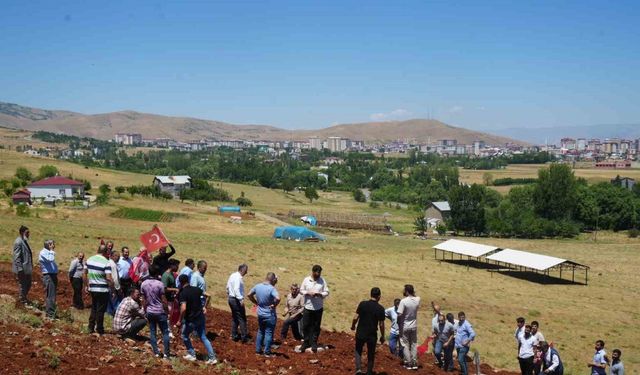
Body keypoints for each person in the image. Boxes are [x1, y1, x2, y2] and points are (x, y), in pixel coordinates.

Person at [177, 274, 218, 365]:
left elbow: (183, 308)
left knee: (184, 335)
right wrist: (204, 307)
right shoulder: (196, 289)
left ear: (180, 282)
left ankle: (192, 354)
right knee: (203, 337)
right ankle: (212, 358)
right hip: (201, 317)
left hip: (191, 319)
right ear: (188, 280)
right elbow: (208, 295)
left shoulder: (183, 293)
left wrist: (180, 320)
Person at [351, 287, 385, 375]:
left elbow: (355, 317)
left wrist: (353, 326)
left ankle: (358, 370)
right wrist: (382, 336)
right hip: (372, 334)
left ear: (371, 294)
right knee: (371, 353)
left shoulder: (362, 304)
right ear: (379, 296)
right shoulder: (380, 308)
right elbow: (381, 324)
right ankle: (369, 372)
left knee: (358, 350)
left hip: (361, 331)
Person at [141, 265, 171, 358]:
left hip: (150, 311)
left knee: (153, 332)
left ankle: (156, 352)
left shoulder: (144, 284)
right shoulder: (160, 284)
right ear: (158, 273)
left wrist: (145, 310)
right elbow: (164, 300)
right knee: (165, 332)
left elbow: (143, 300)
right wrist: (167, 311)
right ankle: (166, 353)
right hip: (160, 311)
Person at [248, 272, 281, 356]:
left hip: (260, 314)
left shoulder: (258, 286)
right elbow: (278, 298)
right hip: (269, 314)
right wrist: (274, 305)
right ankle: (267, 352)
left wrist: (256, 302)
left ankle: (258, 351)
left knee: (260, 331)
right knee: (269, 333)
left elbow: (249, 295)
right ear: (273, 279)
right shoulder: (271, 289)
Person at [299, 264, 329, 353]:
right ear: (312, 272)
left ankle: (314, 343)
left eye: (319, 274)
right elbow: (301, 290)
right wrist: (308, 293)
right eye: (316, 274)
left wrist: (320, 294)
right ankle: (306, 341)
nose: (318, 275)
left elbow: (327, 291)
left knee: (316, 326)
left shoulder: (322, 281)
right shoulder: (306, 280)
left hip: (318, 308)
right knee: (306, 325)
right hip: (308, 307)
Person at [84, 244, 114, 336]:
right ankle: (99, 328)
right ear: (106, 252)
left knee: (94, 308)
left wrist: (86, 285)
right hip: (102, 289)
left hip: (93, 288)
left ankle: (90, 327)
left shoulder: (89, 260)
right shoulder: (106, 262)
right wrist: (112, 287)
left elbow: (84, 274)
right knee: (101, 310)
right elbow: (108, 278)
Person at [397, 284, 420, 370]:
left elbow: (399, 314)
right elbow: (416, 295)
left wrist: (399, 324)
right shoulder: (417, 300)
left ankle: (409, 363)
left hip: (405, 326)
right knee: (414, 344)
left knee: (405, 345)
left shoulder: (403, 301)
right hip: (414, 326)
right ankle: (414, 362)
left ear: (406, 291)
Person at [227, 264, 249, 343]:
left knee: (235, 317)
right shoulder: (238, 278)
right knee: (242, 318)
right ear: (242, 270)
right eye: (246, 270)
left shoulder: (232, 275)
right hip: (236, 300)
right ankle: (244, 337)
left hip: (230, 298)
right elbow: (236, 289)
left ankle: (234, 335)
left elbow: (227, 287)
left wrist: (229, 294)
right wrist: (241, 299)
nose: (246, 272)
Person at [12, 225, 33, 305]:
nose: (28, 234)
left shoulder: (24, 241)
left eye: (28, 233)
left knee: (28, 284)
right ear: (21, 233)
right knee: (23, 285)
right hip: (21, 269)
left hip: (26, 268)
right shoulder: (18, 242)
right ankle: (22, 301)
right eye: (27, 233)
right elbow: (16, 257)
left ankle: (23, 298)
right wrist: (20, 269)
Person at [39, 239, 59, 319]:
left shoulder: (47, 252)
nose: (54, 246)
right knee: (50, 295)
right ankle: (50, 314)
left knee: (52, 294)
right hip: (49, 276)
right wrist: (51, 250)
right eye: (53, 244)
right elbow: (50, 259)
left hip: (52, 275)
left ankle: (51, 312)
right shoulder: (44, 252)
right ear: (49, 245)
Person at [162, 259, 180, 328]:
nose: (178, 267)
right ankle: (166, 331)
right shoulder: (166, 275)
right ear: (172, 266)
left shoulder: (171, 274)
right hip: (167, 299)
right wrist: (175, 289)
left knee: (170, 315)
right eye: (177, 266)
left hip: (171, 299)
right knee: (167, 315)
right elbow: (164, 288)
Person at [106, 250, 122, 316]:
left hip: (108, 286)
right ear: (112, 256)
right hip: (113, 287)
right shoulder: (113, 265)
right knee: (116, 303)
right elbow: (115, 278)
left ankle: (109, 315)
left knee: (109, 303)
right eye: (117, 256)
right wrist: (118, 288)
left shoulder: (109, 263)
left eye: (119, 256)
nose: (118, 258)